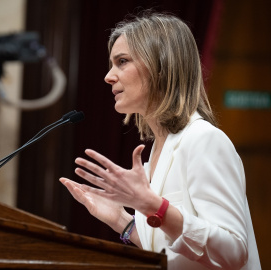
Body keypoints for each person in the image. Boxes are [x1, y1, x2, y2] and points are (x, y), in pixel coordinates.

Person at [59, 12, 261, 269]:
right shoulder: (157, 151)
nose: (108, 76)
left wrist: (156, 207)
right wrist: (121, 221)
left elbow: (234, 252)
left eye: (122, 61)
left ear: (161, 66)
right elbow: (172, 252)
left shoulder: (205, 141)